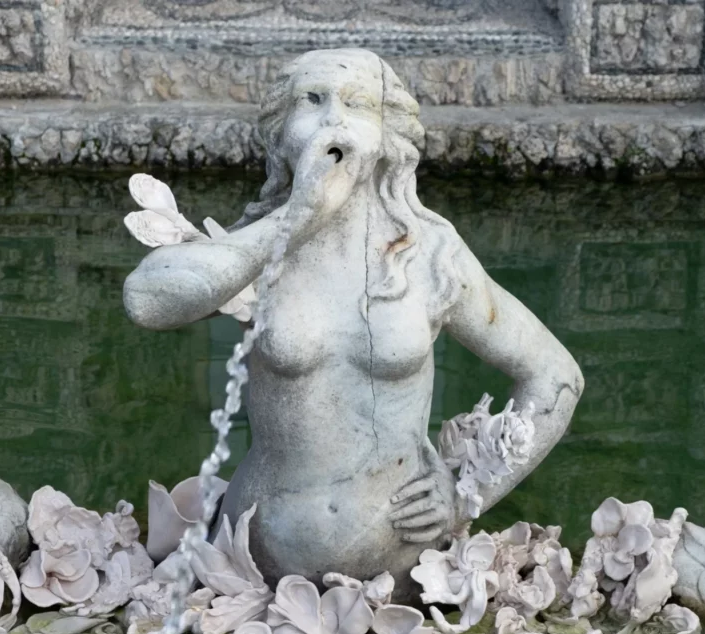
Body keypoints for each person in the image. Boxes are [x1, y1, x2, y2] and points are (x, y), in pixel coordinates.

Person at [123, 49, 583, 593]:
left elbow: (556, 376)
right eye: (312, 100)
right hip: (256, 569)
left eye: (358, 104)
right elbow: (146, 301)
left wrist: (468, 493)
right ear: (280, 133)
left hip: (408, 578)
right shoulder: (251, 250)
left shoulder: (431, 254)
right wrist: (297, 217)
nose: (333, 121)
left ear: (389, 134)